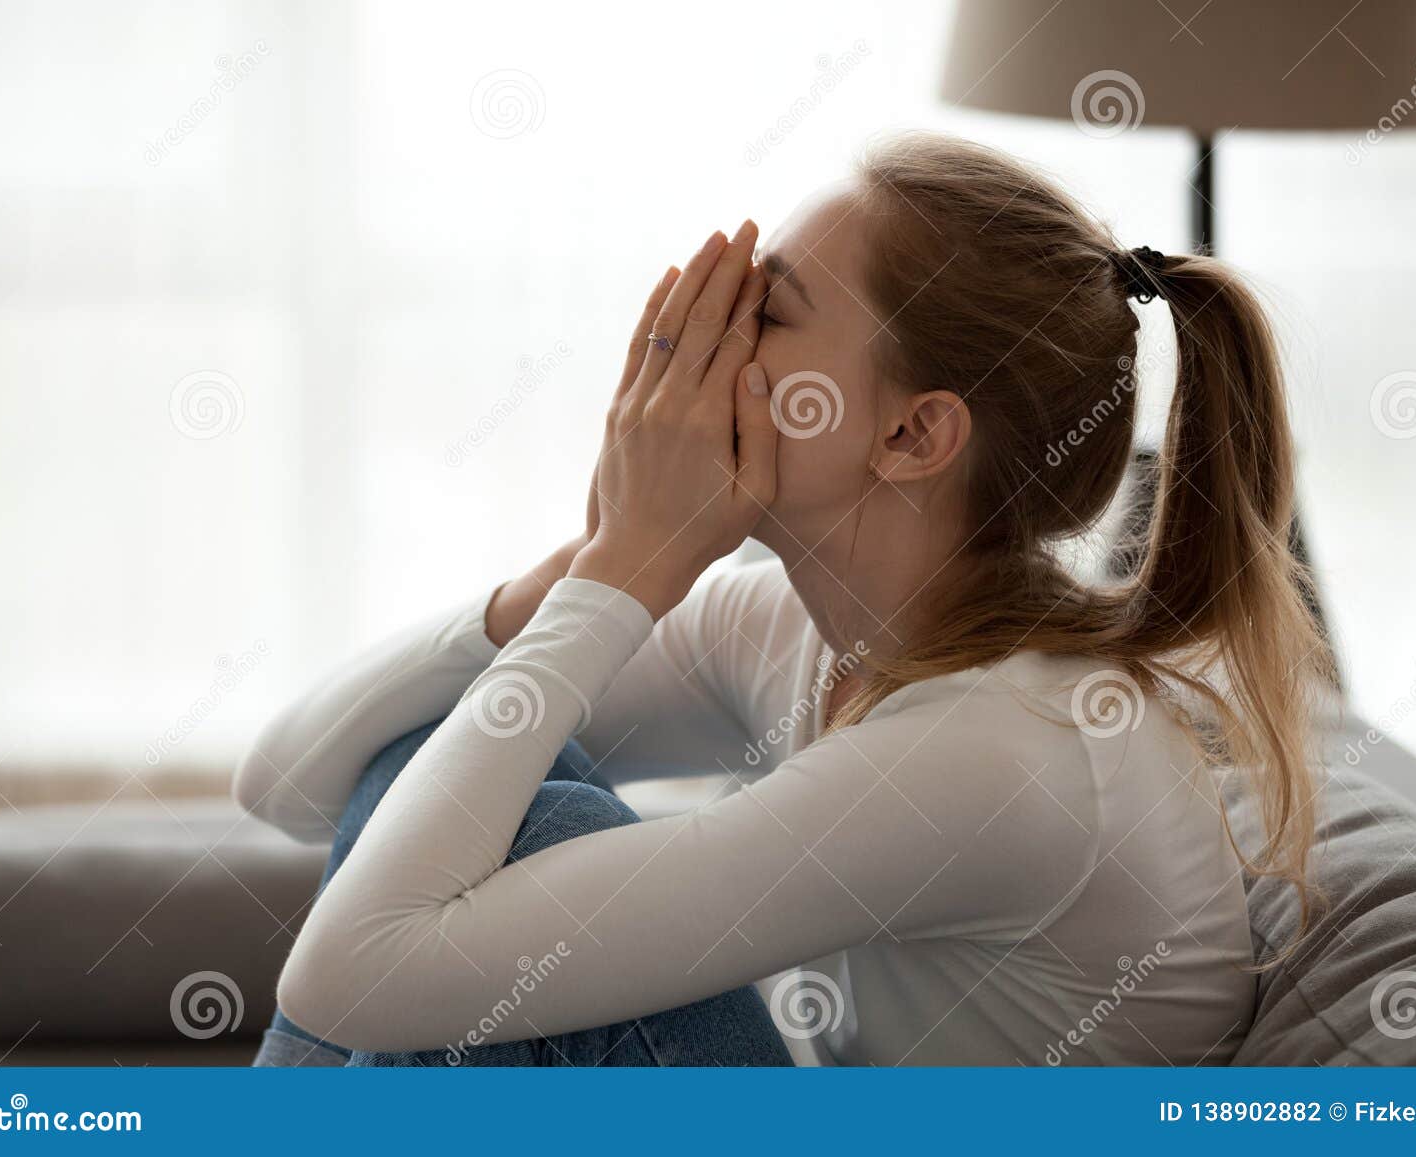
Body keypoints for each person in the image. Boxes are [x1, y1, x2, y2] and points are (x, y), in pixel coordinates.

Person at [236, 133, 1328, 1067]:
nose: (705, 345)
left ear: (910, 434)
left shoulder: (1004, 749)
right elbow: (286, 779)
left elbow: (348, 974)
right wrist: (596, 556)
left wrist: (626, 572)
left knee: (529, 826)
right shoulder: (799, 627)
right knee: (462, 758)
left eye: (769, 310)